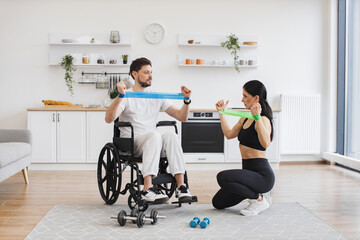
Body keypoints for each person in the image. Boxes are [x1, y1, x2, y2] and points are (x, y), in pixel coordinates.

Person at [105, 57, 192, 203]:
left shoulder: (156, 95)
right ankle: (147, 189)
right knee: (154, 136)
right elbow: (109, 118)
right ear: (135, 74)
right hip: (132, 143)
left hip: (153, 142)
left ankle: (181, 187)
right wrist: (120, 96)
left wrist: (187, 100)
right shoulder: (127, 96)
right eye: (146, 72)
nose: (150, 76)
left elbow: (181, 117)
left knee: (171, 135)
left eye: (151, 72)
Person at [212, 80, 275, 216]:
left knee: (222, 177)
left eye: (245, 96)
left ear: (256, 98)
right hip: (247, 174)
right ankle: (252, 194)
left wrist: (257, 118)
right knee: (217, 203)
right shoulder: (245, 118)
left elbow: (265, 143)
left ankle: (259, 199)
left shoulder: (263, 119)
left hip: (262, 176)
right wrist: (221, 113)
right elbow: (229, 134)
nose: (242, 100)